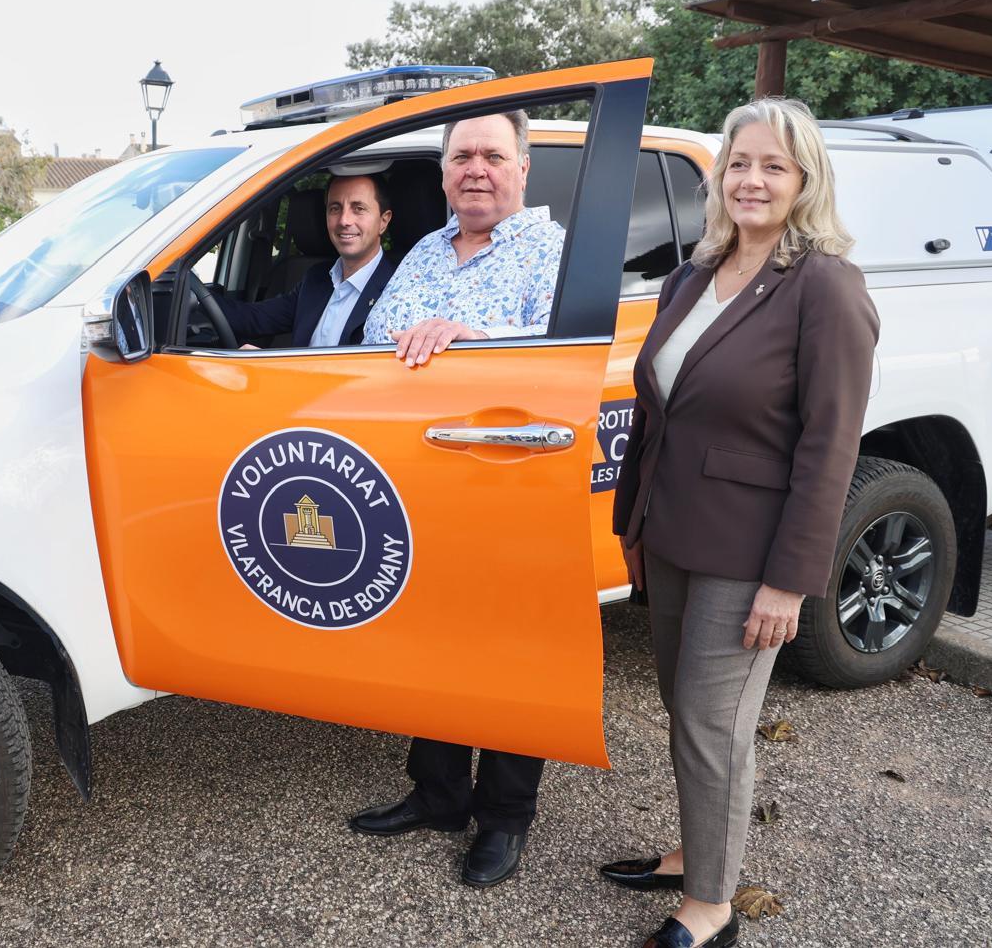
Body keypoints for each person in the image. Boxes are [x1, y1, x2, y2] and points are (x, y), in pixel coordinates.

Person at [606, 98, 879, 948]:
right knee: (680, 705)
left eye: (773, 165)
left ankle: (713, 904)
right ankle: (696, 850)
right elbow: (658, 409)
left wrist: (791, 581)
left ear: (804, 181)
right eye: (739, 163)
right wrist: (630, 523)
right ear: (719, 176)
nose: (751, 179)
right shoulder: (696, 273)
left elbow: (830, 447)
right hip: (671, 531)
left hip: (750, 551)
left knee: (712, 722)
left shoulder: (825, 287)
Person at [348, 110, 566, 888]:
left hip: (514, 485)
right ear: (443, 173)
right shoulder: (423, 250)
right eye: (461, 155)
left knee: (512, 655)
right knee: (434, 642)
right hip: (424, 481)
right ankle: (439, 794)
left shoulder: (555, 249)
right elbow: (381, 329)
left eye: (492, 155)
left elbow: (563, 346)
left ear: (524, 167)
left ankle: (505, 819)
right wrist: (425, 331)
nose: (476, 167)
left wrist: (468, 333)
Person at [213, 173, 398, 348]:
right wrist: (195, 296)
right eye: (335, 208)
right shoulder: (316, 278)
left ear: (384, 221)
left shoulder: (399, 289)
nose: (344, 220)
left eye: (358, 209)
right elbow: (253, 319)